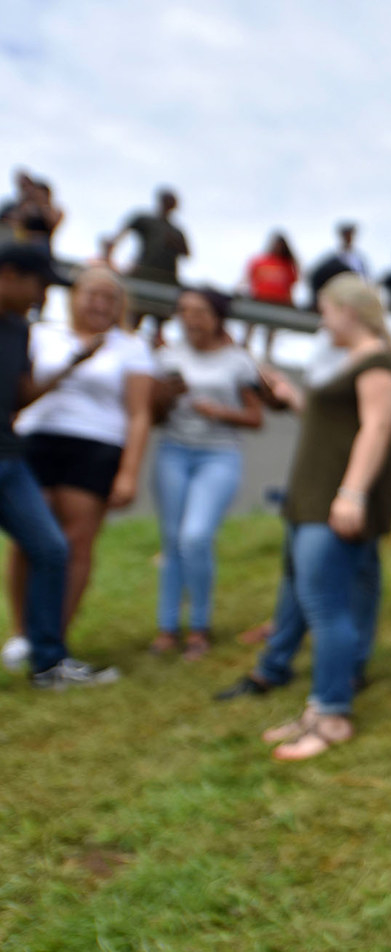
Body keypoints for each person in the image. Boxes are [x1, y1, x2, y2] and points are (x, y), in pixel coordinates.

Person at [216, 274, 391, 761]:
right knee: (322, 596)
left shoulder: (379, 360)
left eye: (326, 310)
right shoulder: (351, 361)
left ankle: (332, 715)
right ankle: (319, 707)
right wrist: (297, 400)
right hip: (314, 495)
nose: (322, 319)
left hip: (333, 499)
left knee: (325, 604)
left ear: (348, 310)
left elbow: (378, 427)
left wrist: (353, 493)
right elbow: (340, 425)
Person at [4, 266, 155, 673]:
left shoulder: (131, 347)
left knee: (73, 543)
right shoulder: (43, 334)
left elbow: (139, 414)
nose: (100, 304)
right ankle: (23, 634)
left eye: (110, 297)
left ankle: (52, 638)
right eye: (92, 294)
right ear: (74, 297)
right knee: (31, 540)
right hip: (36, 440)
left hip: (95, 446)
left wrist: (128, 472)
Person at [0, 242, 118, 688]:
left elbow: (20, 393)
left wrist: (70, 366)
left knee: (50, 550)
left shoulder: (18, 328)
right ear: (9, 274)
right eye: (39, 285)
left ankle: (49, 663)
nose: (42, 296)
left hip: (10, 459)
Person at [149, 287, 263, 659]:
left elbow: (255, 416)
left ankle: (199, 627)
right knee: (171, 540)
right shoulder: (167, 357)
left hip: (219, 455)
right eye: (183, 310)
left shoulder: (238, 361)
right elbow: (152, 414)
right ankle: (167, 628)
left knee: (195, 537)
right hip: (172, 452)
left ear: (217, 318)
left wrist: (218, 411)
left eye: (199, 311)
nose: (190, 318)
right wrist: (164, 396)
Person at [110, 187, 189, 339]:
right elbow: (122, 233)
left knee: (159, 325)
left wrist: (175, 244)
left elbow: (186, 254)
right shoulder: (146, 220)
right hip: (144, 274)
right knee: (132, 317)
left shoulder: (176, 231)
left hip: (166, 279)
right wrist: (112, 254)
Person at [241, 231, 298, 362]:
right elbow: (248, 279)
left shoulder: (287, 265)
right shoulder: (260, 261)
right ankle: (244, 350)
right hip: (258, 299)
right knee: (250, 325)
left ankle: (267, 356)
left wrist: (290, 302)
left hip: (277, 302)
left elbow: (291, 285)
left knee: (270, 330)